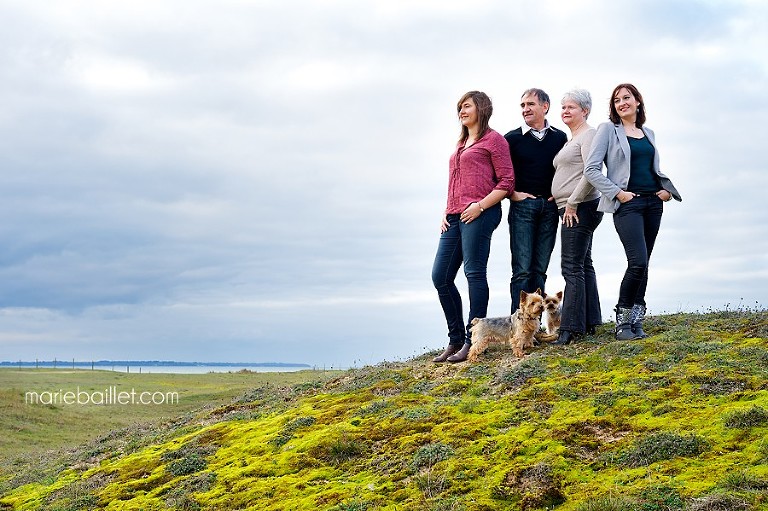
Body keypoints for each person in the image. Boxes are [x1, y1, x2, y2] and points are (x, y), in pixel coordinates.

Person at [583, 83, 681, 340]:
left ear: (638, 101)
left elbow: (652, 168)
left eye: (627, 97)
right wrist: (618, 193)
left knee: (645, 263)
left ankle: (637, 323)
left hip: (653, 203)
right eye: (616, 100)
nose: (621, 103)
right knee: (637, 261)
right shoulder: (608, 130)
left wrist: (666, 190)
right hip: (628, 204)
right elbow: (591, 169)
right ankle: (622, 323)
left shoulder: (648, 133)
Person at [432, 91, 515, 363]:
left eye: (466, 106)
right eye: (459, 108)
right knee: (440, 276)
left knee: (474, 273)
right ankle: (455, 339)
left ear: (481, 108)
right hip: (454, 217)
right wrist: (446, 209)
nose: (461, 111)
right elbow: (456, 181)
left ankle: (473, 339)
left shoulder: (494, 140)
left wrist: (480, 205)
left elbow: (506, 182)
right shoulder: (460, 143)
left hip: (480, 214)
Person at [504, 88, 567, 313]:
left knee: (540, 269)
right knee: (522, 270)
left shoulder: (559, 137)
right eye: (522, 105)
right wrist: (513, 194)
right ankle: (518, 324)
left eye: (530, 104)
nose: (525, 109)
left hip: (550, 208)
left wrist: (559, 194)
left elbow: (566, 169)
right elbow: (499, 173)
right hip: (523, 207)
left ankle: (536, 325)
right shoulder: (511, 138)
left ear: (545, 107)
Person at [550, 89, 603, 345]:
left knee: (571, 267)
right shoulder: (572, 138)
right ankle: (591, 321)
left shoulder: (589, 135)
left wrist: (571, 201)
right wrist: (558, 195)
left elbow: (592, 172)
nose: (565, 111)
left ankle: (570, 329)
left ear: (585, 110)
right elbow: (570, 173)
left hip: (580, 208)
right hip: (569, 206)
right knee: (584, 264)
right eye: (563, 107)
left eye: (571, 107)